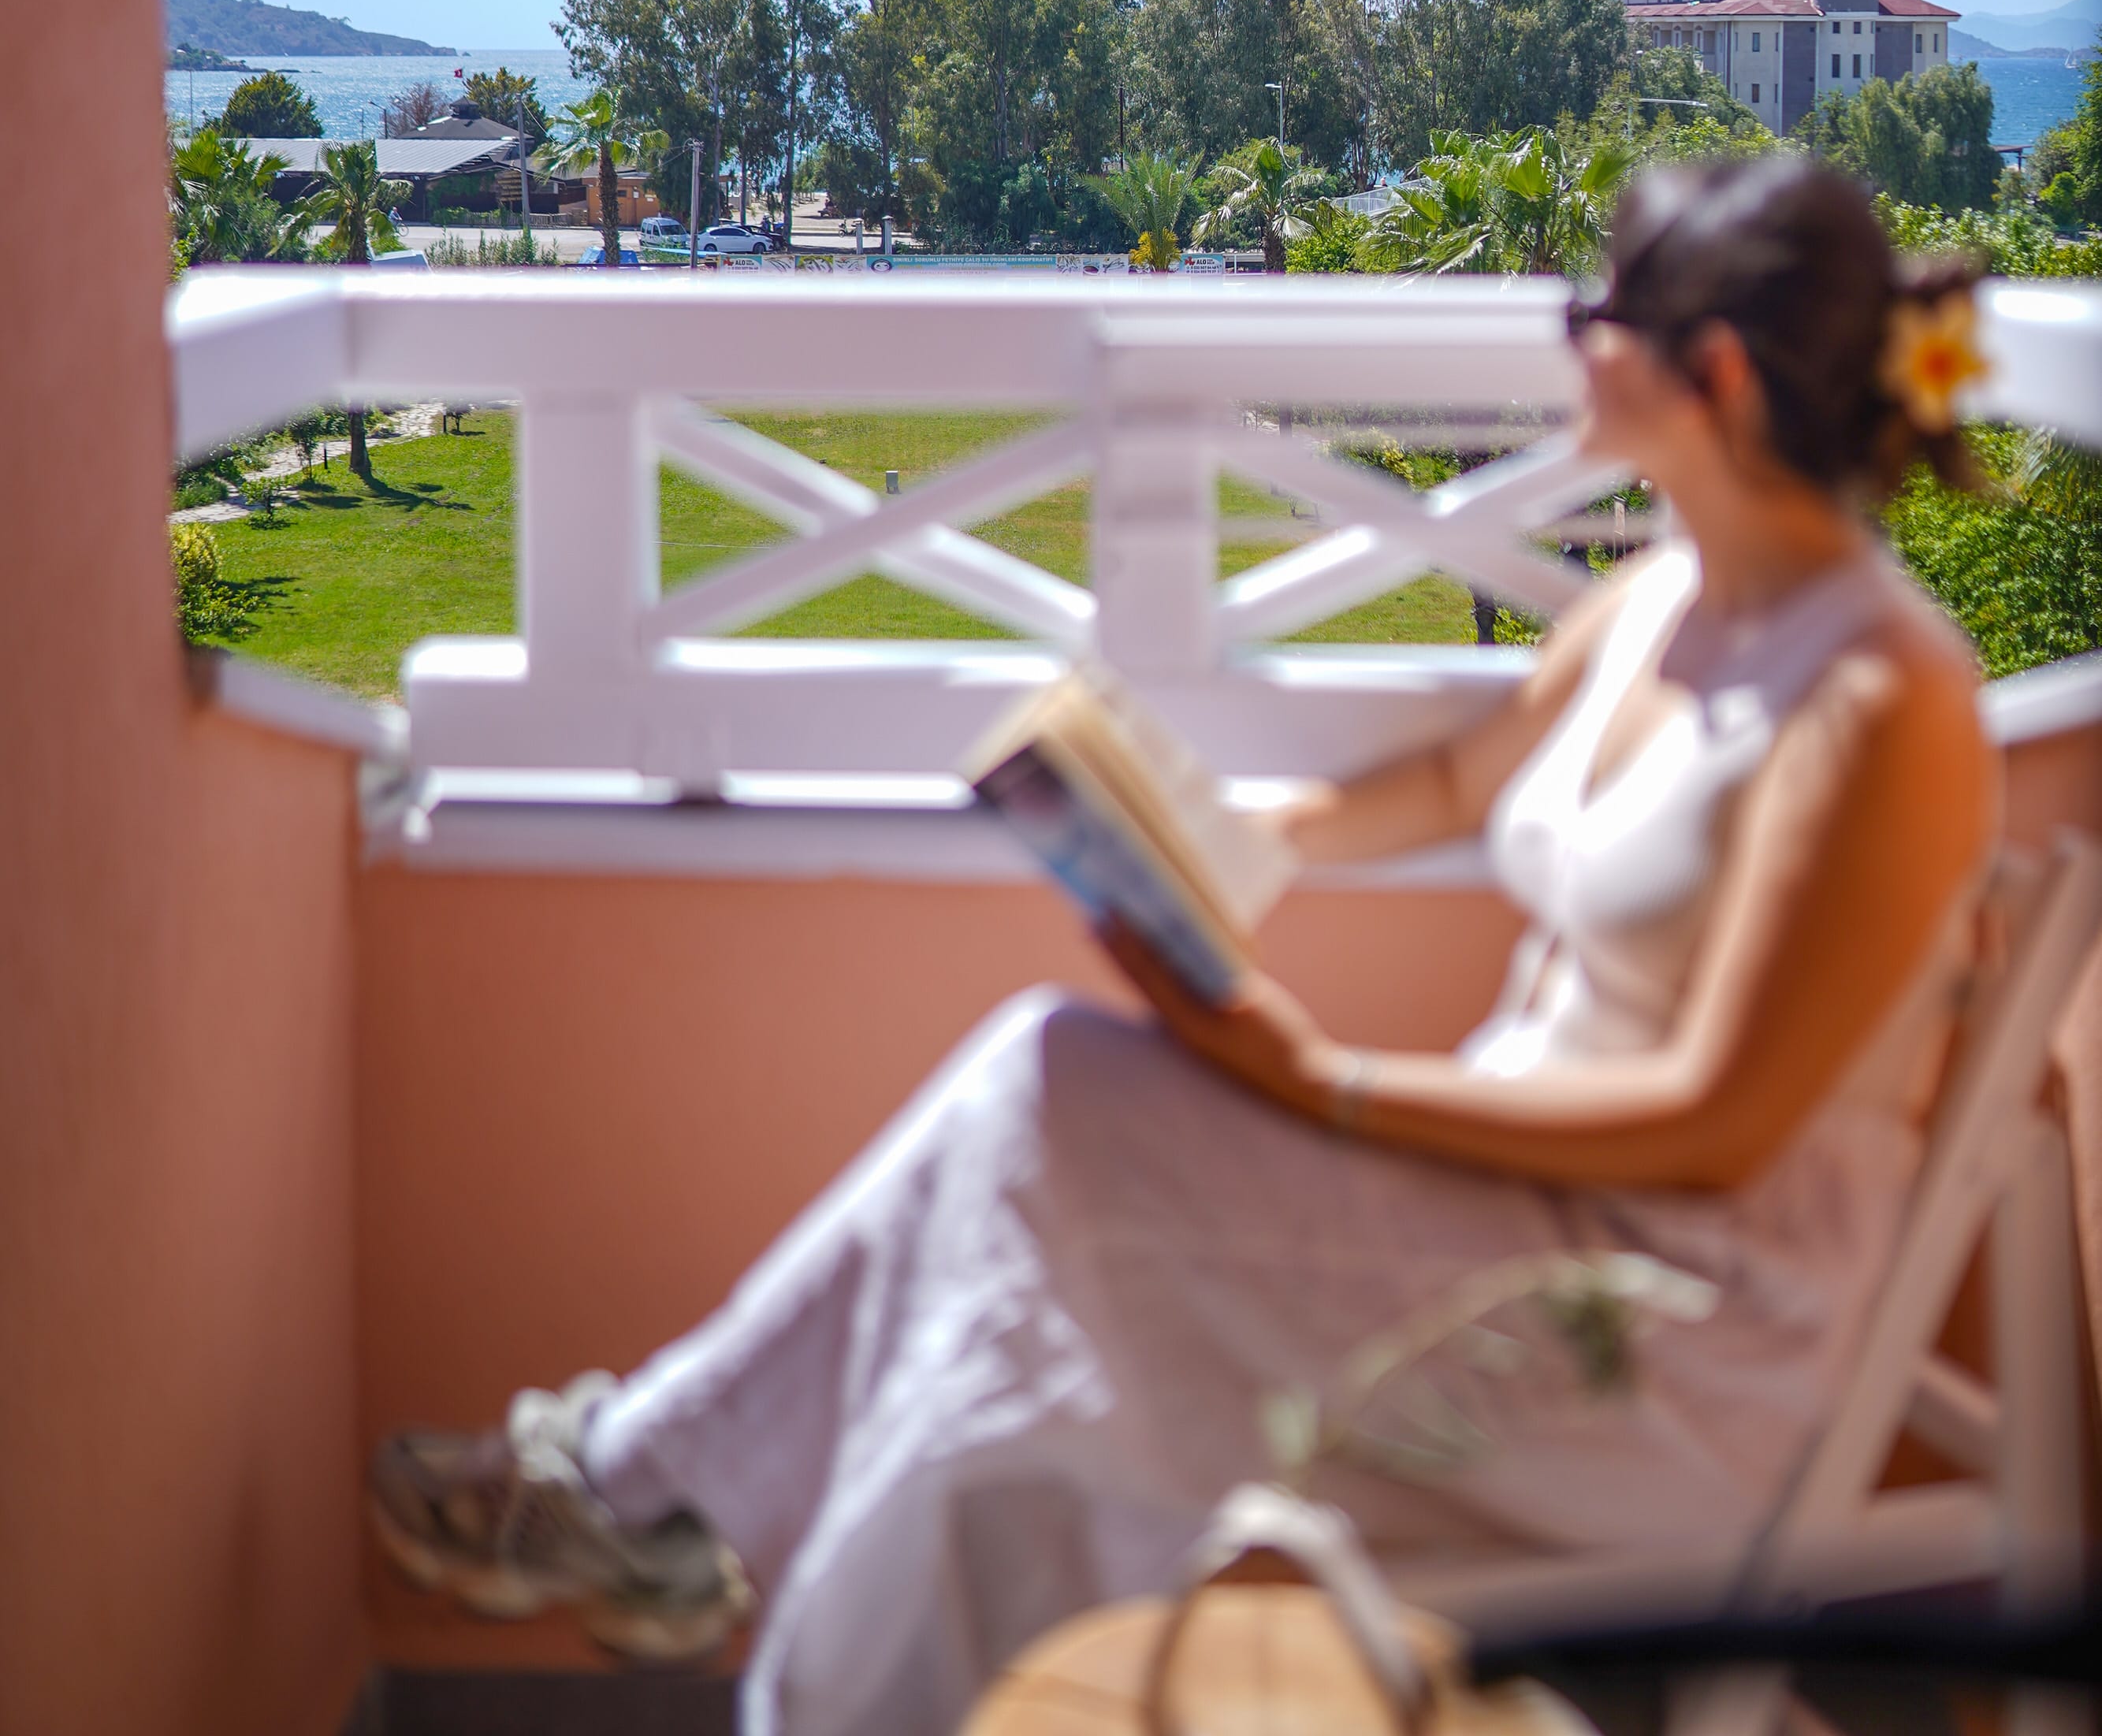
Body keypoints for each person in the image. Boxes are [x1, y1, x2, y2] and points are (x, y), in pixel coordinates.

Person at [370, 156, 1998, 1732]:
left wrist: (1326, 1081)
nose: (1563, 333)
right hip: (1500, 1216)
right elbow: (1455, 772)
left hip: (1648, 1334)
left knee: (1046, 1131)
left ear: (1703, 367)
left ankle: (644, 1498)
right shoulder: (1658, 599)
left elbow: (1716, 1126)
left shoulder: (1876, 700)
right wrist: (1212, 839)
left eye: (1595, 308)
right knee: (1040, 1189)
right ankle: (655, 1500)